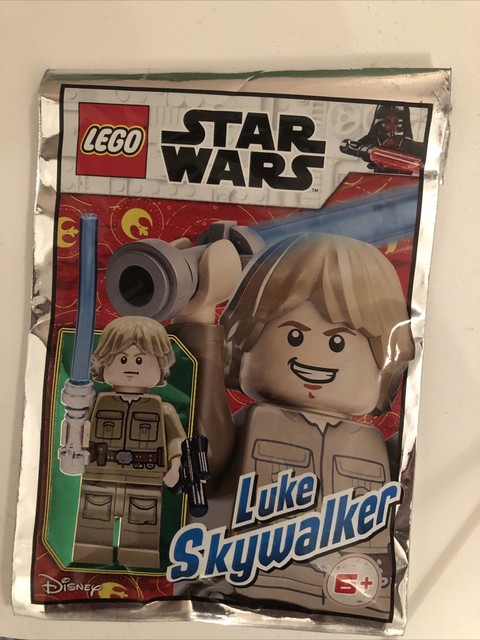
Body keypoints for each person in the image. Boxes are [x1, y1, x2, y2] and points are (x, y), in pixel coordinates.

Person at [169, 232, 415, 618]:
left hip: (352, 603)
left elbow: (424, 471)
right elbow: (202, 451)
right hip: (234, 594)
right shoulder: (254, 426)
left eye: (338, 343)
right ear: (244, 343)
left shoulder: (379, 448)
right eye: (295, 336)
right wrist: (195, 320)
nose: (315, 357)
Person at [70, 315, 185, 568]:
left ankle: (139, 575)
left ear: (162, 365)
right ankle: (89, 571)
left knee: (141, 539)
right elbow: (79, 430)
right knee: (91, 533)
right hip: (99, 477)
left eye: (140, 360)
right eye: (122, 359)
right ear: (104, 362)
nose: (131, 367)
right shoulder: (96, 403)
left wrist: (176, 465)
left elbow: (177, 439)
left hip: (145, 480)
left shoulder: (163, 410)